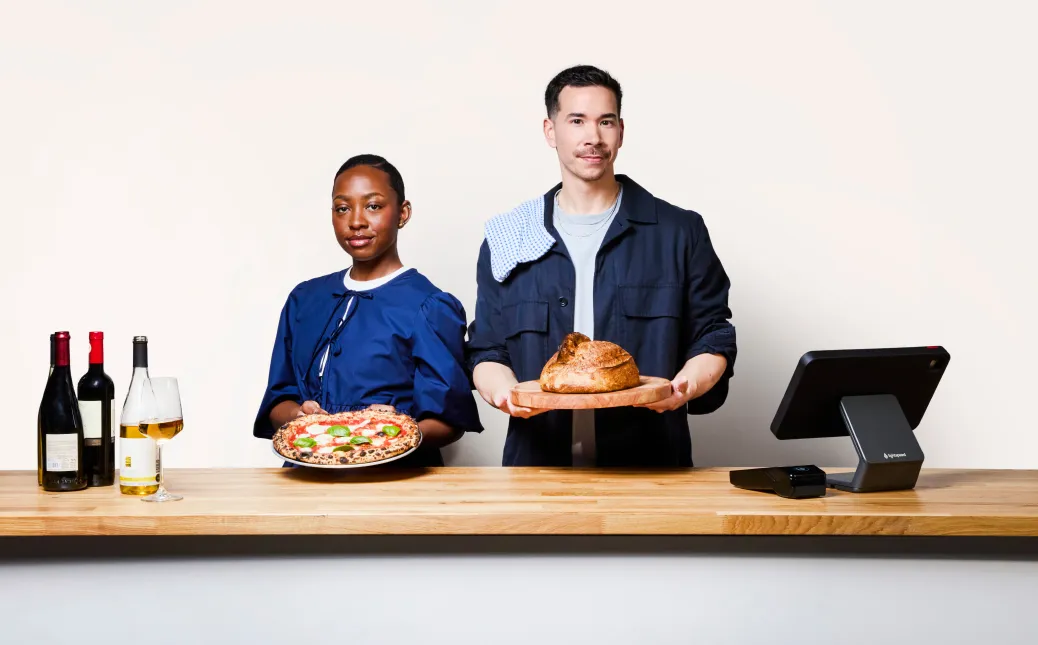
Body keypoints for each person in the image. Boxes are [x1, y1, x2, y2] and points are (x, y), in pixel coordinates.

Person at [466, 65, 737, 467]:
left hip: (651, 470)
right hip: (537, 471)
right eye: (577, 121)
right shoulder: (509, 238)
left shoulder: (679, 232)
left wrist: (685, 386)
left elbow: (713, 337)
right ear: (550, 130)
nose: (593, 137)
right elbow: (487, 349)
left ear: (621, 131)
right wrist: (507, 393)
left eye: (605, 121)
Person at [254, 154, 483, 466]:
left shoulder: (430, 306)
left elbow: (449, 422)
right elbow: (278, 400)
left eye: (373, 206)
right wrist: (299, 416)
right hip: (305, 482)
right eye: (343, 208)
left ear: (403, 213)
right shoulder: (304, 299)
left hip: (394, 486)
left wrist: (389, 431)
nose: (356, 221)